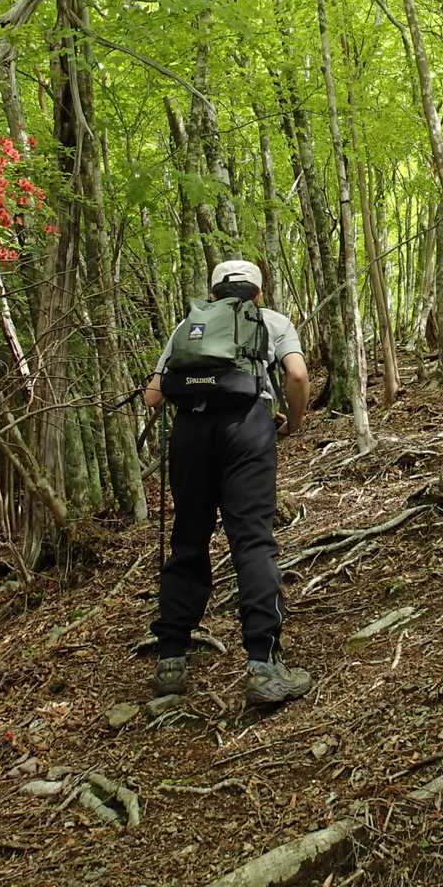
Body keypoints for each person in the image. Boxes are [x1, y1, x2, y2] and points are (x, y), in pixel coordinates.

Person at [143, 259, 312, 706]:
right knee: (252, 541)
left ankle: (171, 660)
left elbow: (154, 396)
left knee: (188, 540)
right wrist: (293, 423)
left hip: (190, 435)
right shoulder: (272, 321)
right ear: (258, 293)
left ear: (213, 293)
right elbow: (297, 375)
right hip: (248, 429)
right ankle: (263, 666)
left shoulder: (189, 326)